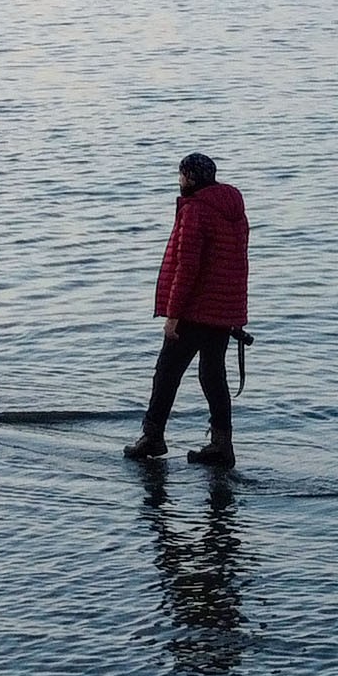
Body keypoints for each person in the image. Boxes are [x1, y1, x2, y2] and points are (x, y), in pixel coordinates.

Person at [124, 151, 248, 468]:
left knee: (167, 373)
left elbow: (187, 267)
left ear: (189, 178)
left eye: (180, 176)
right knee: (212, 375)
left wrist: (173, 314)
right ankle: (222, 445)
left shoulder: (195, 210)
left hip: (195, 309)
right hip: (223, 309)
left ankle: (153, 437)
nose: (179, 182)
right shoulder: (234, 209)